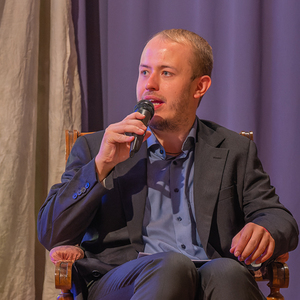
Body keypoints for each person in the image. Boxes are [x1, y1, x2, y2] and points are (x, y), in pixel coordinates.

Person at [38, 29, 298, 300]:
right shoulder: (97, 148)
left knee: (228, 272)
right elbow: (51, 232)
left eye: (166, 73)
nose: (149, 84)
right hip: (124, 280)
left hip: (211, 276)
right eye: (144, 72)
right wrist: (101, 166)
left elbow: (279, 218)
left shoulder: (234, 149)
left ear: (200, 86)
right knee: (172, 265)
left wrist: (266, 229)